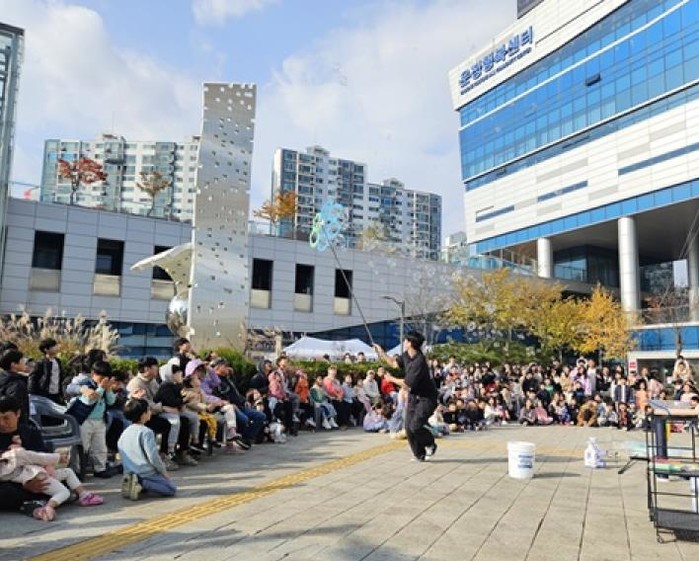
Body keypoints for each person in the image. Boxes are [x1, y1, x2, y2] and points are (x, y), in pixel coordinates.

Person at [1, 438, 104, 521]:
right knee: (64, 492)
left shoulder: (5, 465)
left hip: (38, 475)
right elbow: (38, 457)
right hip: (39, 478)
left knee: (67, 472)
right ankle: (49, 507)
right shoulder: (16, 455)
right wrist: (58, 457)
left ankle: (83, 494)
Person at [374, 331, 438, 462]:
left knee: (416, 426)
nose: (404, 342)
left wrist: (390, 378)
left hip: (427, 398)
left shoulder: (419, 362)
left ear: (411, 343)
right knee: (408, 428)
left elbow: (407, 384)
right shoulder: (406, 355)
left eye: (406, 340)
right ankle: (419, 455)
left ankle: (430, 443)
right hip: (414, 396)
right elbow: (394, 363)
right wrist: (381, 352)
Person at [0, 396, 52, 516]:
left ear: (17, 413)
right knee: (6, 491)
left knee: (59, 481)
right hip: (7, 481)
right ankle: (30, 502)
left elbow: (42, 457)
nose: (2, 423)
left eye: (6, 418)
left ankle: (29, 501)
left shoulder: (30, 433)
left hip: (31, 476)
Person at [118, 398, 177, 500]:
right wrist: (163, 472)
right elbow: (153, 456)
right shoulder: (146, 432)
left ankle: (134, 484)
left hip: (130, 472)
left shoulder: (125, 432)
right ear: (143, 414)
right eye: (148, 410)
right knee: (171, 488)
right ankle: (141, 483)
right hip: (145, 472)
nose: (150, 412)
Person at [28, 338, 64, 404]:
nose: (56, 347)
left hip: (57, 394)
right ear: (46, 349)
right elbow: (33, 378)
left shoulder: (58, 361)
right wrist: (34, 395)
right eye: (53, 346)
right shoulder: (41, 363)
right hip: (45, 395)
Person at [0, 348, 31, 420]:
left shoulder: (3, 378)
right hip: (14, 423)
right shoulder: (16, 384)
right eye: (22, 360)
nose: (24, 363)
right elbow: (13, 408)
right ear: (13, 364)